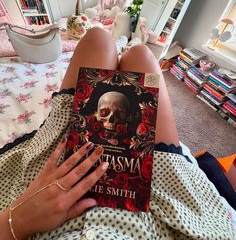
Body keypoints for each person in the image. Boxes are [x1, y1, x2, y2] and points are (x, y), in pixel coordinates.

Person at [0, 27, 234, 240]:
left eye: (118, 117)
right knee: (139, 54)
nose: (111, 121)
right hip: (157, 192)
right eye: (105, 114)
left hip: (41, 186)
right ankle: (128, 48)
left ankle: (123, 46)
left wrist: (16, 219)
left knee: (99, 39)